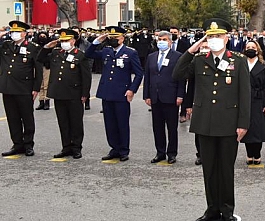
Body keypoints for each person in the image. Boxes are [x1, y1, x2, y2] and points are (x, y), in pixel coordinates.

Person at [172, 19, 251, 221]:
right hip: (204, 123)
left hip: (228, 123)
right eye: (211, 36)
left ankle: (227, 210)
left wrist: (243, 123)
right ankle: (212, 209)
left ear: (226, 38)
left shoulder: (238, 60)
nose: (215, 40)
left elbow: (245, 94)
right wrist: (194, 48)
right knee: (209, 169)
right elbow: (177, 74)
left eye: (218, 36)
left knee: (226, 170)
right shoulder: (199, 59)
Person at [85, 26, 143, 162]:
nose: (113, 40)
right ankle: (114, 148)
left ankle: (123, 150)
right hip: (107, 92)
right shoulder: (106, 51)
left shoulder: (130, 53)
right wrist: (96, 42)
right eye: (111, 38)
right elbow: (88, 54)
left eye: (115, 38)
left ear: (122, 38)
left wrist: (132, 90)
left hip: (122, 93)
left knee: (122, 123)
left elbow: (139, 74)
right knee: (109, 123)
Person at [37, 29, 91, 159]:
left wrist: (85, 93)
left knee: (76, 122)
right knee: (63, 122)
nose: (64, 43)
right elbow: (40, 59)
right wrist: (46, 47)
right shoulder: (56, 53)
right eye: (62, 41)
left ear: (73, 41)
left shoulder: (80, 55)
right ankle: (66, 146)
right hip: (59, 93)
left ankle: (76, 147)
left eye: (66, 41)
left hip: (74, 93)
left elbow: (86, 76)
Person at [0, 21, 43, 157]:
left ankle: (28, 144)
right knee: (12, 118)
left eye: (17, 32)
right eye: (12, 32)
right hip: (8, 87)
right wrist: (3, 34)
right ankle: (17, 144)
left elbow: (38, 70)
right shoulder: (6, 45)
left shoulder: (32, 47)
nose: (14, 34)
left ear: (24, 33)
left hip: (25, 88)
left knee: (27, 117)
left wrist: (36, 88)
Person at [143, 31, 185, 164]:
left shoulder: (178, 56)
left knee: (172, 127)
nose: (161, 41)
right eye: (159, 39)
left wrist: (180, 95)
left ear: (170, 42)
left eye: (165, 39)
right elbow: (147, 77)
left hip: (171, 97)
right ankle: (160, 152)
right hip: (155, 97)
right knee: (157, 127)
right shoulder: (151, 56)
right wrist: (146, 95)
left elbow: (181, 79)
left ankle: (172, 153)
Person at [240, 40, 265, 165]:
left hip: (258, 100)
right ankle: (249, 154)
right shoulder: (241, 63)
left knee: (258, 129)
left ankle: (257, 153)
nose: (250, 49)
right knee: (246, 128)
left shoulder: (264, 65)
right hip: (244, 100)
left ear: (258, 49)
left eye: (253, 47)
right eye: (248, 47)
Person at [34, 31, 52, 111]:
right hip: (38, 67)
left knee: (46, 84)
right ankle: (41, 101)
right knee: (40, 84)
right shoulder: (35, 46)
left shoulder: (49, 45)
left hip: (46, 66)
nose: (42, 38)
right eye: (40, 36)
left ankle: (47, 101)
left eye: (44, 36)